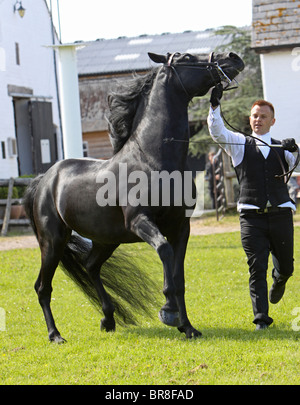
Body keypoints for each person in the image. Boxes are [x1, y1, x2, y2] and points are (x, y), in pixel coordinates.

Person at [207, 85, 299, 330]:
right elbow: (217, 131)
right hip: (251, 217)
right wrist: (214, 107)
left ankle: (280, 279)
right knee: (256, 267)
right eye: (255, 116)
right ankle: (261, 320)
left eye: (263, 116)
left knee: (287, 267)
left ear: (272, 121)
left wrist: (295, 149)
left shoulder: (282, 147)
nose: (258, 120)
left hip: (280, 214)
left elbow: (296, 164)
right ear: (250, 119)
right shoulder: (238, 143)